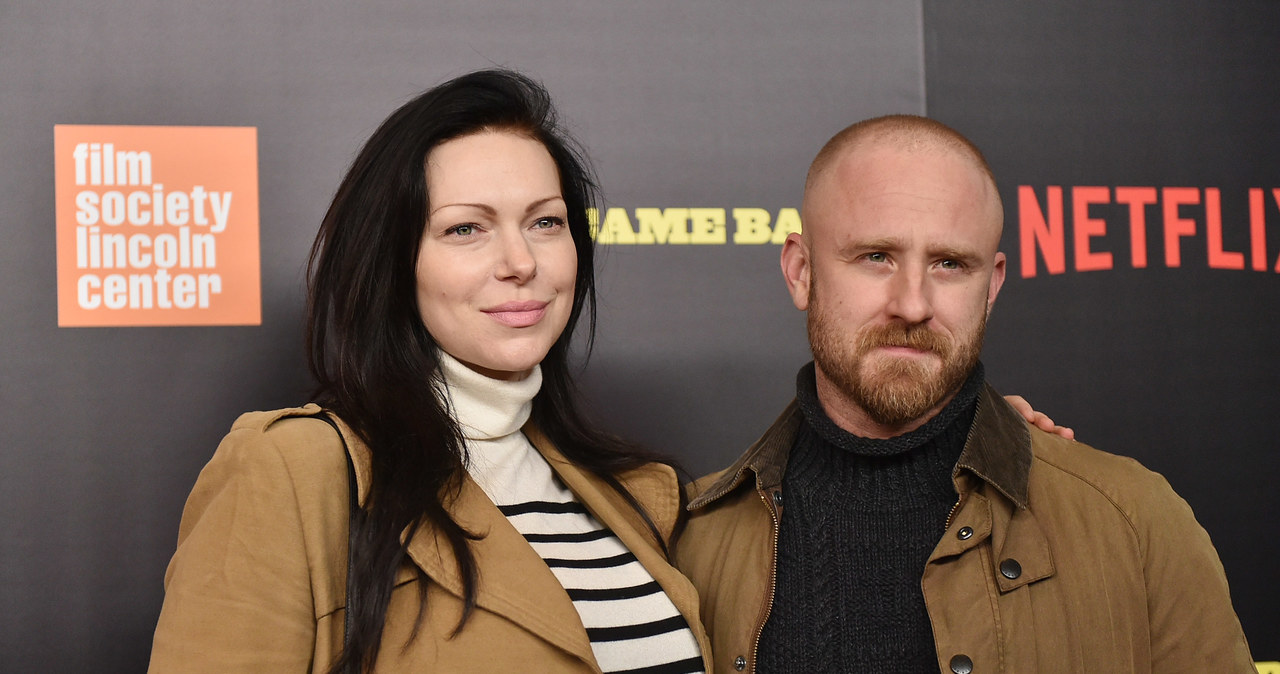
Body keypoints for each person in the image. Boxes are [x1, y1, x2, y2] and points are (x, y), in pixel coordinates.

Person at [148, 70, 710, 673]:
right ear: (393, 262)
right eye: (465, 228)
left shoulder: (646, 497)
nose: (520, 262)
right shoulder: (294, 471)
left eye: (545, 222)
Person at [673, 115, 1256, 673]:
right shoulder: (688, 544)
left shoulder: (1137, 522)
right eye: (876, 257)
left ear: (992, 285)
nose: (913, 304)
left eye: (950, 264)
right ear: (801, 272)